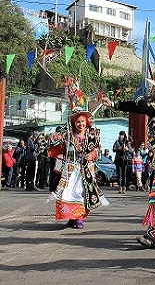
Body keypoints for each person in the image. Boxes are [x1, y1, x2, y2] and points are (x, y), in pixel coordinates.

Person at [103, 68, 155, 248]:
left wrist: (141, 96)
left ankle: (153, 233)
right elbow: (137, 107)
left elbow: (142, 105)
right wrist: (114, 104)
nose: (153, 91)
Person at [49, 76, 108, 229]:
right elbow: (56, 142)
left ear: (86, 122)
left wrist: (92, 155)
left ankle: (79, 218)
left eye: (83, 121)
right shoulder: (69, 135)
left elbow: (97, 150)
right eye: (78, 122)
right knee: (67, 192)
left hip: (85, 170)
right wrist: (55, 137)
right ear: (73, 123)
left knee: (82, 193)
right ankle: (70, 217)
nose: (81, 124)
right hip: (70, 170)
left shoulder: (92, 134)